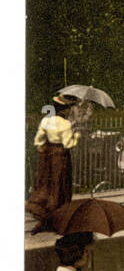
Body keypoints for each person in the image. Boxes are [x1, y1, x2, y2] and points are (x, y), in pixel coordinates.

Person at [27, 92, 80, 225]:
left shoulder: (46, 120)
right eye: (68, 108)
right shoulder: (65, 124)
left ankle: (43, 209)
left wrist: (42, 148)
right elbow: (68, 144)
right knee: (59, 181)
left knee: (46, 180)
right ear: (65, 109)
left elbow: (38, 140)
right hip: (60, 154)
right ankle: (58, 212)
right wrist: (76, 136)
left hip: (47, 154)